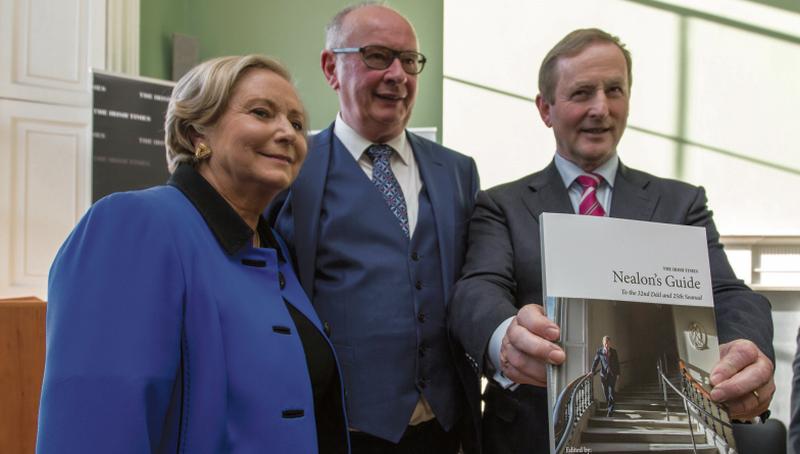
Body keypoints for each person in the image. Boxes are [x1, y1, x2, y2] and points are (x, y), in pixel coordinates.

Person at [448, 28, 776, 453]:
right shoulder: (501, 204)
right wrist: (504, 336)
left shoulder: (681, 202)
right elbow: (478, 286)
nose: (601, 108)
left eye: (614, 90)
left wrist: (746, 349)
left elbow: (730, 292)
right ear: (545, 109)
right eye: (582, 92)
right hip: (527, 438)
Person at [36, 55, 349, 453]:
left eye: (297, 123)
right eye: (261, 112)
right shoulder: (133, 224)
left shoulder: (275, 251)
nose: (287, 132)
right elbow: (92, 427)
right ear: (194, 133)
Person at [269, 4, 480, 453]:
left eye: (409, 60)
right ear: (331, 67)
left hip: (443, 429)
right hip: (342, 430)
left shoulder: (457, 172)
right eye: (378, 56)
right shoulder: (291, 168)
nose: (397, 75)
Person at [590, 336, 621, 417]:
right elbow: (596, 361)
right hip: (603, 375)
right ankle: (609, 403)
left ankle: (610, 410)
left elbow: (617, 363)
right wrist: (592, 371)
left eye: (608, 342)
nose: (607, 344)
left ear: (610, 343)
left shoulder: (614, 351)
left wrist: (618, 374)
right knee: (606, 393)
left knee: (611, 392)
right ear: (603, 343)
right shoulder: (599, 351)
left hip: (612, 374)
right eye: (605, 343)